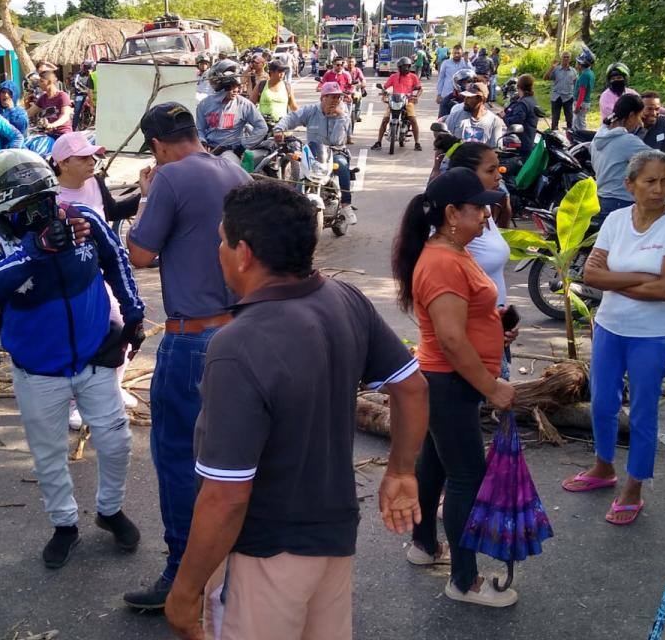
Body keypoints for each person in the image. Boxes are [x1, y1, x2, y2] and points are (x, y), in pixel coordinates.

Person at [165, 181, 429, 640]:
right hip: (333, 539)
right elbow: (412, 387)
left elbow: (225, 496)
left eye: (221, 240)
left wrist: (184, 590)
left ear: (243, 252)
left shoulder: (237, 345)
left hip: (265, 553)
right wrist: (401, 471)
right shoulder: (344, 299)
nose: (219, 250)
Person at [0, 149, 146, 568]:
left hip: (93, 358)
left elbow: (116, 260)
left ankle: (109, 510)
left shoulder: (82, 220)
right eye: (26, 210)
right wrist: (35, 250)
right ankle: (64, 524)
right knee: (48, 454)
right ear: (2, 213)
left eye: (45, 202)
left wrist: (134, 313)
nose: (42, 215)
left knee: (117, 441)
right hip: (37, 373)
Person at [124, 102, 252, 609]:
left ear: (156, 145)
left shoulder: (170, 180)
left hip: (191, 338)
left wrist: (145, 197)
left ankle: (182, 574)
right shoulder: (235, 168)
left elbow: (140, 253)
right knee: (233, 459)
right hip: (241, 331)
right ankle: (235, 567)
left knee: (178, 458)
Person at [392, 167, 518, 608]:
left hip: (444, 381)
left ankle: (424, 545)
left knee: (434, 466)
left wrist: (495, 323)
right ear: (451, 213)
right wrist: (490, 386)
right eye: (479, 207)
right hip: (450, 383)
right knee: (467, 476)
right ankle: (464, 581)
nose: (487, 214)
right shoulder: (443, 261)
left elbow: (461, 320)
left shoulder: (452, 250)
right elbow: (449, 338)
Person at [564, 150, 665, 526]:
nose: (659, 189)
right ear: (630, 185)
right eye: (650, 181)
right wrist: (643, 279)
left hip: (651, 336)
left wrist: (620, 282)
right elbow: (591, 276)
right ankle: (603, 468)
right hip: (609, 327)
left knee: (642, 413)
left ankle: (634, 487)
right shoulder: (617, 219)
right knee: (603, 403)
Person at [52, 130, 143, 416]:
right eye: (83, 158)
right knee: (74, 335)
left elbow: (113, 211)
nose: (92, 161)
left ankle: (112, 386)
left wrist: (145, 192)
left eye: (92, 155)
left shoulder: (95, 183)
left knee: (121, 327)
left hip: (103, 271)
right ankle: (73, 401)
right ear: (63, 163)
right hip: (67, 280)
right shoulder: (49, 195)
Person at [429, 136, 516, 376]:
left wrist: (496, 320)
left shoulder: (482, 214)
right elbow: (450, 330)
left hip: (493, 332)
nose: (498, 175)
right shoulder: (451, 238)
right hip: (473, 349)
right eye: (490, 170)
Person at [274, 81, 356, 224]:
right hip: (313, 154)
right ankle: (296, 211)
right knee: (301, 178)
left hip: (334, 152)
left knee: (342, 166)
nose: (336, 100)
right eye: (332, 97)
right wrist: (279, 129)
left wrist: (340, 117)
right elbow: (292, 118)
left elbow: (336, 140)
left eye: (338, 97)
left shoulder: (343, 115)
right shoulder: (311, 110)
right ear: (323, 98)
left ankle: (346, 205)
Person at [591, 94, 652, 215]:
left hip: (600, 201)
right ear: (631, 116)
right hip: (622, 203)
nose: (640, 123)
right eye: (639, 117)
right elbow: (657, 161)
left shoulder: (599, 136)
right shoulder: (627, 141)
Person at [195, 60, 267, 151]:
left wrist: (243, 146)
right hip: (209, 150)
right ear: (220, 87)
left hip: (231, 151)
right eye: (231, 86)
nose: (236, 90)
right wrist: (202, 142)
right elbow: (199, 129)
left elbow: (262, 127)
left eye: (237, 86)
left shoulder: (244, 105)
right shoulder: (204, 105)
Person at [373, 56, 423, 151]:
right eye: (403, 66)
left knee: (413, 119)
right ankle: (378, 142)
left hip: (407, 101)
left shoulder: (413, 77)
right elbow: (385, 87)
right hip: (394, 100)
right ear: (399, 67)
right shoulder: (393, 76)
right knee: (385, 119)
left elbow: (420, 88)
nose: (406, 68)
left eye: (407, 66)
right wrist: (384, 94)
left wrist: (416, 96)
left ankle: (417, 143)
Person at [445, 82, 504, 148]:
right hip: (457, 158)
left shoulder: (494, 121)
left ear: (480, 99)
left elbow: (495, 149)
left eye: (469, 97)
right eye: (465, 97)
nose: (465, 100)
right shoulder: (454, 116)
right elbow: (443, 144)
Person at [29, 66, 74, 139]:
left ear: (49, 82)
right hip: (50, 134)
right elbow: (29, 112)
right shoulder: (43, 98)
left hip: (63, 134)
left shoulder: (62, 96)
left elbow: (65, 116)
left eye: (41, 81)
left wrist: (52, 125)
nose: (39, 84)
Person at [503, 74, 542, 152]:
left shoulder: (523, 103)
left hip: (521, 142)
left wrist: (504, 117)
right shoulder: (530, 99)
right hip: (528, 138)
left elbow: (515, 122)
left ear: (519, 86)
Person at [545, 51, 578, 131]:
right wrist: (551, 68)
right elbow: (545, 78)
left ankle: (570, 137)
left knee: (569, 119)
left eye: (568, 57)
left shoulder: (573, 71)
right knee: (555, 119)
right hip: (556, 97)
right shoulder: (556, 69)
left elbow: (576, 84)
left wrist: (576, 97)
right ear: (561, 58)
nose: (566, 58)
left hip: (568, 97)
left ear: (570, 59)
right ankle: (553, 136)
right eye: (564, 57)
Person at [436, 45, 474, 109]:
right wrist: (439, 94)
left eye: (458, 53)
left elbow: (472, 73)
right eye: (454, 53)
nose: (456, 55)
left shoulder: (465, 62)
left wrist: (467, 61)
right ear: (452, 53)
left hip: (461, 94)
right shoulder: (446, 63)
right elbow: (441, 78)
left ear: (462, 54)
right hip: (447, 93)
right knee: (443, 115)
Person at [574, 54, 596, 130]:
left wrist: (577, 106)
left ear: (581, 64)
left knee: (578, 123)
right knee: (581, 121)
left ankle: (580, 138)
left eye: (577, 63)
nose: (576, 65)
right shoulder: (590, 73)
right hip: (586, 101)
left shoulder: (584, 75)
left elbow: (582, 92)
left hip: (581, 102)